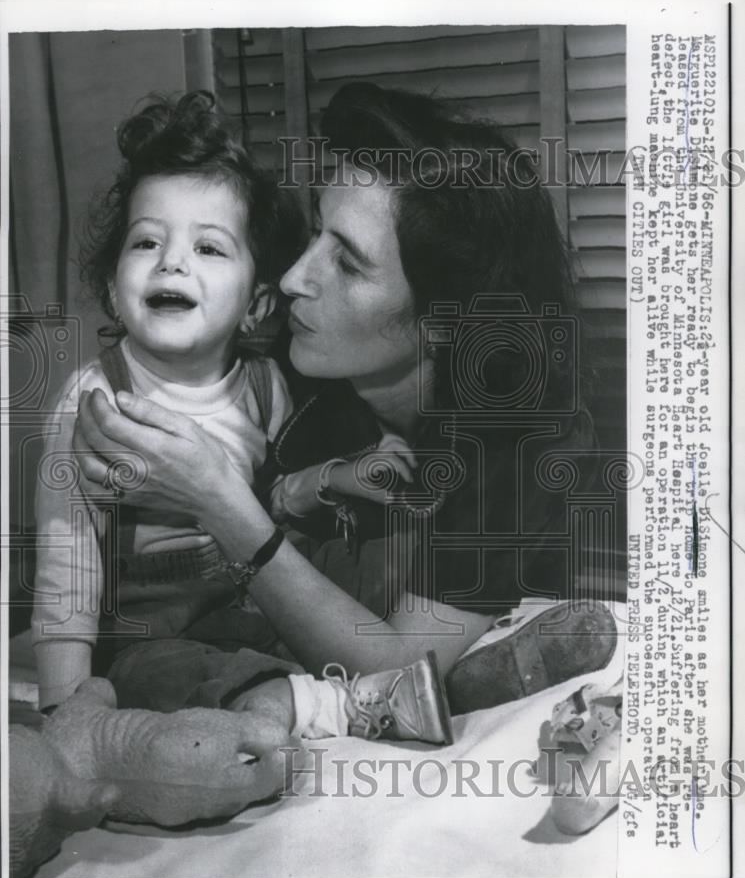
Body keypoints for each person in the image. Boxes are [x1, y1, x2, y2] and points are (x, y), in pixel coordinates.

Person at [72, 82, 617, 741]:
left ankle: (454, 684)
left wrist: (218, 501)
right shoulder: (281, 355)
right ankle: (462, 689)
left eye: (348, 264)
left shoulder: (524, 442)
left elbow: (390, 668)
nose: (297, 276)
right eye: (313, 234)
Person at [31, 89, 452, 745]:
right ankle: (321, 704)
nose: (171, 261)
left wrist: (335, 477)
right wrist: (64, 706)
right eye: (146, 242)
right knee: (162, 676)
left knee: (376, 560)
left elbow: (274, 509)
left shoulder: (266, 386)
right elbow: (67, 558)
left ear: (256, 304)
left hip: (253, 595)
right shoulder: (97, 401)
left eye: (209, 249)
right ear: (114, 285)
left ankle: (457, 675)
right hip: (155, 623)